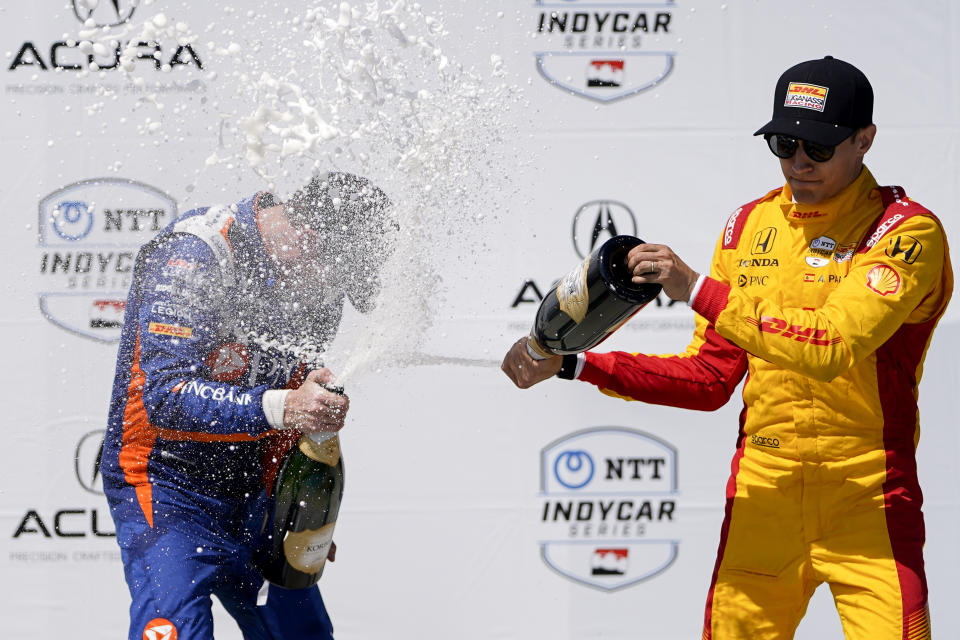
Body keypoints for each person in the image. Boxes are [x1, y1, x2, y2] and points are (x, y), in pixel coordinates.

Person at [502, 56, 952, 639]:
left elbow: (830, 345)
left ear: (865, 140)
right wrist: (574, 363)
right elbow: (709, 379)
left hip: (868, 503)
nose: (798, 163)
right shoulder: (749, 227)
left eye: (817, 147)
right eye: (784, 143)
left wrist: (695, 289)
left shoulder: (905, 231)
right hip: (763, 497)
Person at [101, 172, 394, 640]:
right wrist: (286, 406)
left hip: (254, 489)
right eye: (339, 277)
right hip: (166, 484)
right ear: (310, 240)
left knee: (304, 635)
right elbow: (164, 398)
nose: (333, 294)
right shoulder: (197, 252)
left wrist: (302, 513)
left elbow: (293, 397)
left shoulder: (317, 285)